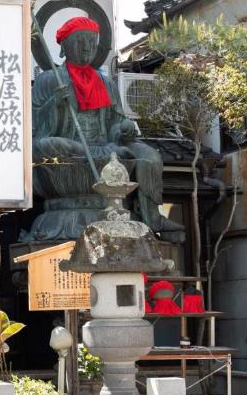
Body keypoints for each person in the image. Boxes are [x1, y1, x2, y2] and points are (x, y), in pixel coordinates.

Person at [32, 16, 184, 238]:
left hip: (107, 146)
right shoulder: (49, 79)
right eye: (80, 41)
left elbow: (114, 123)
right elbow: (37, 128)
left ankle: (153, 217)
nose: (87, 48)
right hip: (70, 150)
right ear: (64, 46)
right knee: (47, 146)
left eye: (92, 42)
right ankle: (99, 154)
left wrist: (124, 127)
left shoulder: (105, 83)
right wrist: (54, 104)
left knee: (149, 155)